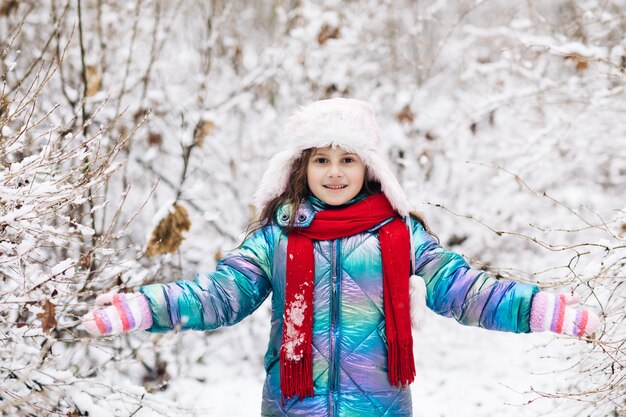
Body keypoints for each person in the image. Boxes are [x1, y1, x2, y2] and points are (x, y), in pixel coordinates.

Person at [82, 98, 601, 417]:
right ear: (300, 168)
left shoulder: (399, 233)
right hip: (291, 408)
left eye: (347, 158)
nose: (334, 172)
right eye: (321, 160)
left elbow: (460, 289)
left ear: (368, 166)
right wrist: (142, 306)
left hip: (380, 408)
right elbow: (218, 297)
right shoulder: (275, 237)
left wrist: (539, 308)